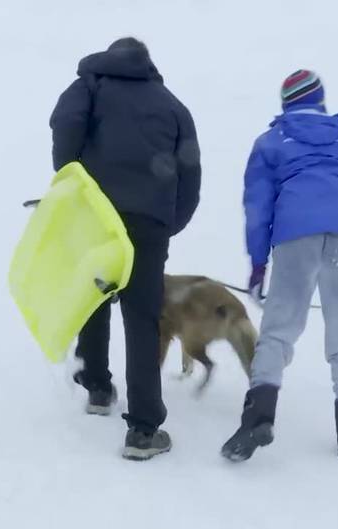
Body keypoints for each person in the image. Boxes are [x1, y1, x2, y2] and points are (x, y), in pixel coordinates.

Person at [49, 37, 201, 461]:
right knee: (142, 316)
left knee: (94, 294)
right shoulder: (171, 105)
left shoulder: (90, 86)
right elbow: (190, 171)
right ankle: (143, 429)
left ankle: (97, 386)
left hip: (97, 213)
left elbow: (65, 123)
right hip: (148, 222)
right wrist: (169, 224)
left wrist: (72, 180)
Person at [221, 70, 338, 462]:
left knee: (278, 329)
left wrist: (259, 264)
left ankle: (258, 415)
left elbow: (257, 208)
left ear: (287, 103)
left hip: (295, 237)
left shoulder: (271, 143)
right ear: (321, 102)